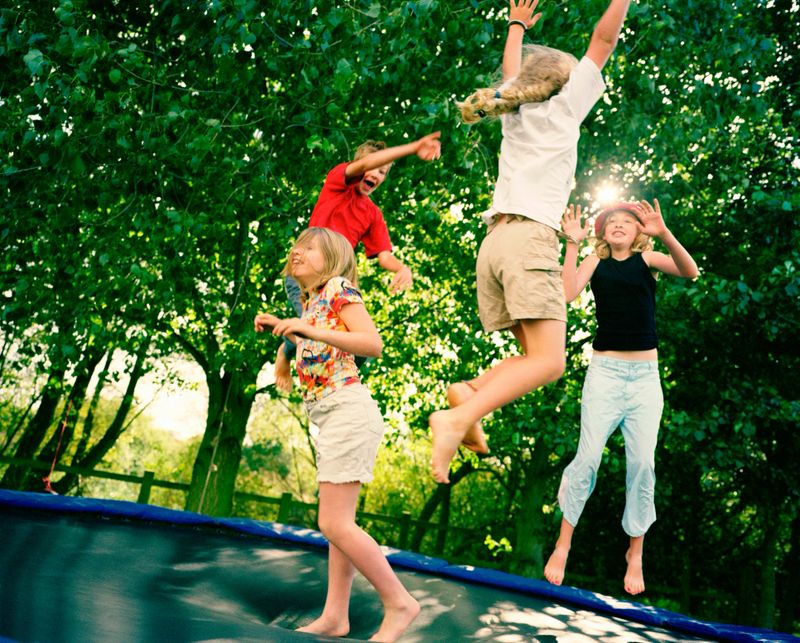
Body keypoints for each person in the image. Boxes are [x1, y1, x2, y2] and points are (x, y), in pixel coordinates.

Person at [429, 0, 632, 483]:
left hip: (495, 243)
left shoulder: (514, 112)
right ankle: (456, 418)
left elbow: (510, 74)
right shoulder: (565, 105)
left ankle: (470, 393)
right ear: (565, 79)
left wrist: (516, 24)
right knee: (550, 363)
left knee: (528, 356)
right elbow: (603, 42)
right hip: (530, 241)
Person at [254, 227, 420, 642]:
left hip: (347, 410)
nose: (298, 253)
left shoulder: (338, 288)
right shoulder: (311, 303)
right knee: (338, 524)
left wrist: (308, 331)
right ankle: (335, 616)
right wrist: (287, 330)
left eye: (309, 248)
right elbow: (315, 343)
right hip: (327, 415)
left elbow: (370, 343)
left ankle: (400, 602)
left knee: (333, 522)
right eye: (296, 247)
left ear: (333, 259)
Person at [544, 199, 699, 595]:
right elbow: (567, 293)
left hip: (645, 379)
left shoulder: (648, 260)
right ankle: (564, 543)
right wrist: (573, 245)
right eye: (611, 221)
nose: (618, 224)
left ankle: (636, 552)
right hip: (605, 375)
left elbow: (690, 271)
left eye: (627, 221)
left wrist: (662, 232)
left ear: (638, 232)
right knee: (589, 457)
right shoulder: (597, 263)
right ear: (602, 233)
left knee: (643, 465)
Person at [273, 132, 442, 393]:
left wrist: (402, 268)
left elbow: (384, 255)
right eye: (373, 167)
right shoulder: (337, 184)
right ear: (358, 166)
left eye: (383, 172)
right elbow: (362, 166)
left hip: (335, 282)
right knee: (309, 326)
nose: (376, 174)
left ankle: (337, 387)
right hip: (306, 276)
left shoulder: (373, 214)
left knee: (357, 345)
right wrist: (412, 148)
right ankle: (285, 351)